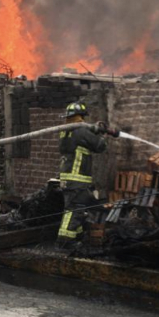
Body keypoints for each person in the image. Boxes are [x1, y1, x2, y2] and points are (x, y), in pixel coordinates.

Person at [57, 102, 118, 249]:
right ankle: (65, 240)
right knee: (74, 210)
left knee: (75, 209)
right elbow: (99, 146)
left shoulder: (66, 131)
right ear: (80, 116)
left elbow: (84, 140)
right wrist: (102, 135)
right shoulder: (80, 131)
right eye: (82, 117)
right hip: (77, 178)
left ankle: (75, 235)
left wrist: (94, 130)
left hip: (67, 178)